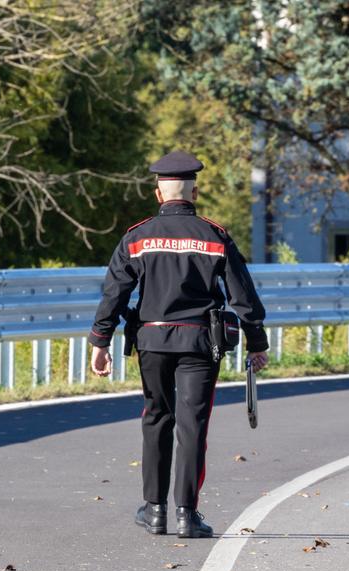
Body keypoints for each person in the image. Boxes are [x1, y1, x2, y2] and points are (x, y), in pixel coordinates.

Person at [88, 151, 269, 538]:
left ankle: (154, 511)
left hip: (151, 340)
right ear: (195, 192)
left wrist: (100, 340)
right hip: (201, 342)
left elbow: (114, 293)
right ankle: (187, 514)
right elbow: (243, 296)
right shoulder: (215, 235)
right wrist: (257, 342)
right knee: (192, 425)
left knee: (156, 417)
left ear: (158, 193)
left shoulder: (136, 237)